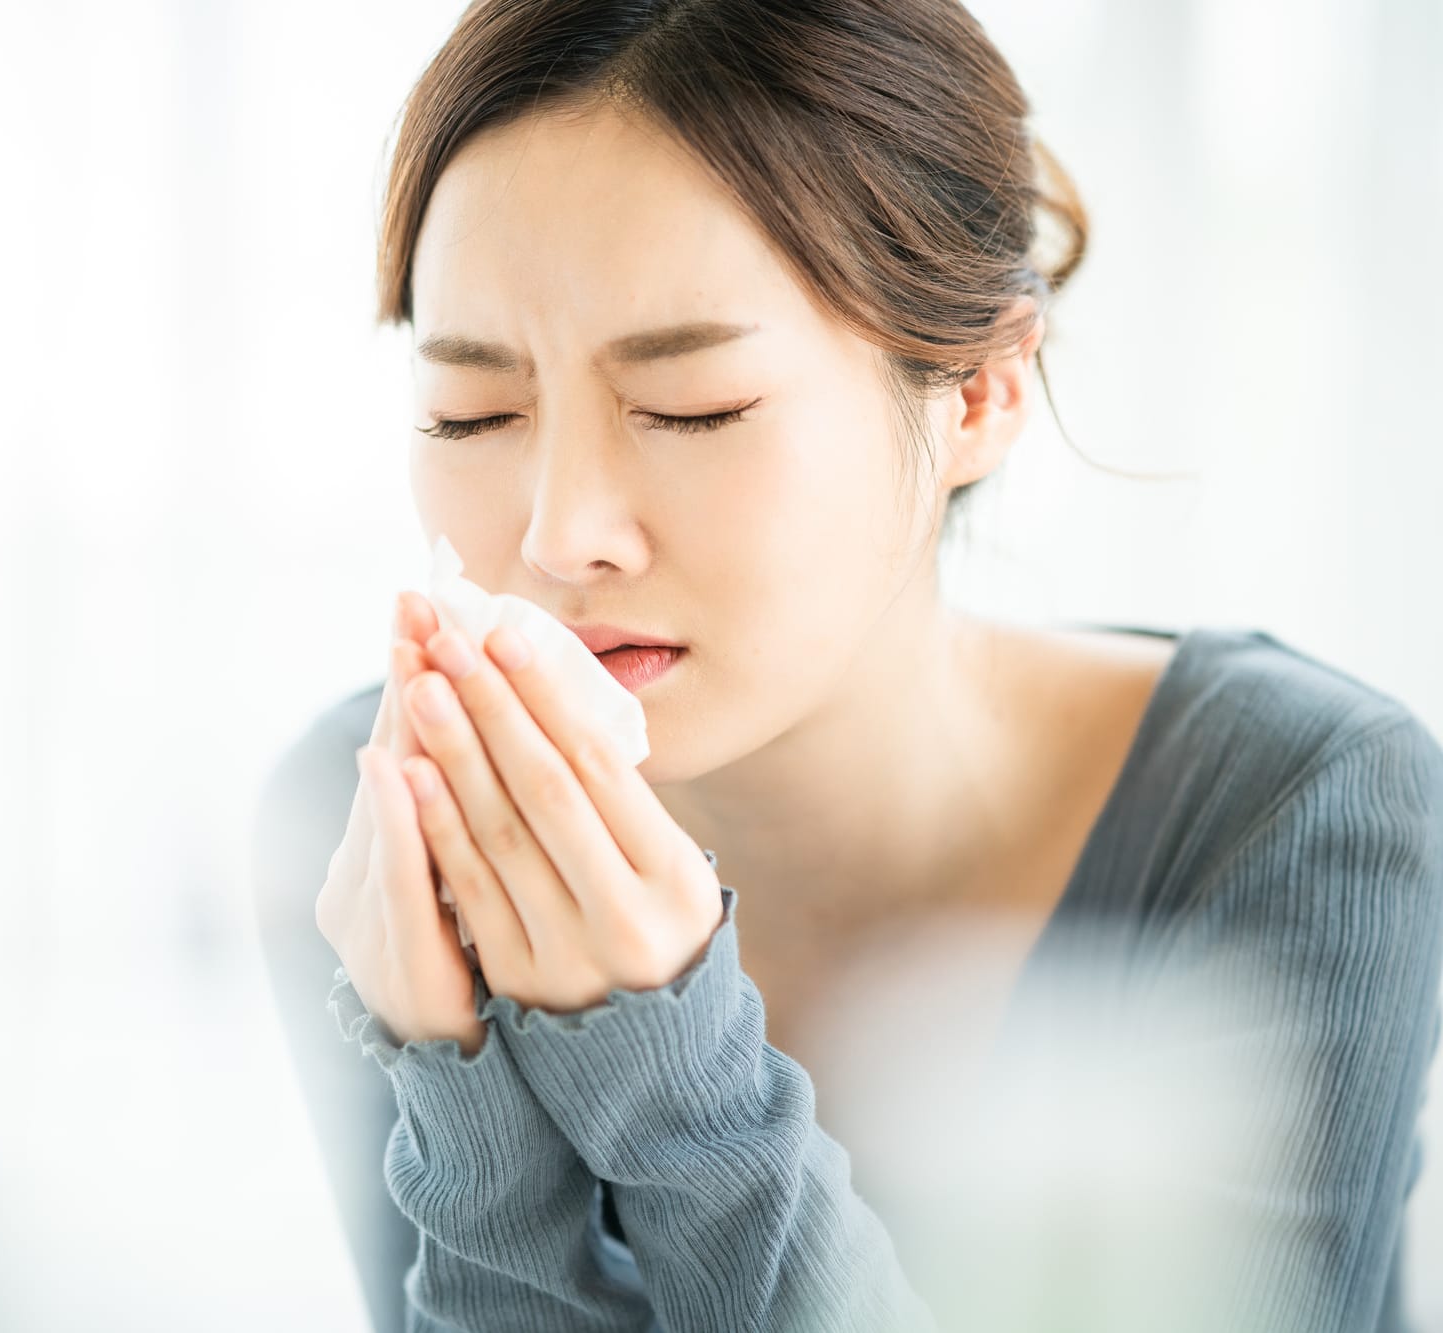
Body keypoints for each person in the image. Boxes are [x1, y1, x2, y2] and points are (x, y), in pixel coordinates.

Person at [250, 1, 1443, 1328]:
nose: (556, 533)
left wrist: (672, 1083)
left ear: (979, 393)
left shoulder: (1304, 811)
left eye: (692, 407)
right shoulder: (379, 826)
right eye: (471, 412)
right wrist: (469, 1106)